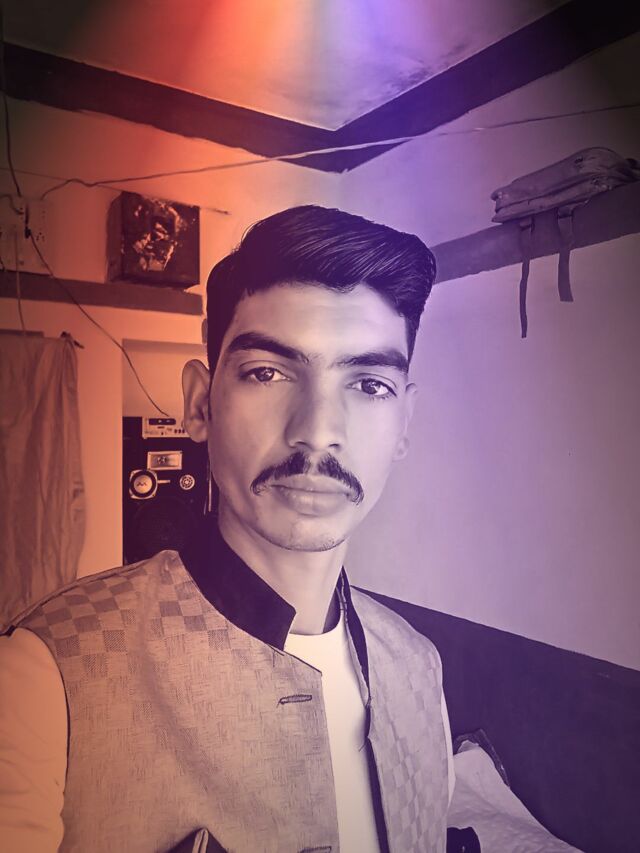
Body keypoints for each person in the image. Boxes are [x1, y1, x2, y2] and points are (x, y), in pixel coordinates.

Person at [0, 206, 455, 852]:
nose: (318, 430)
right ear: (198, 403)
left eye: (369, 384)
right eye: (267, 372)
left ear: (405, 421)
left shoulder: (419, 669)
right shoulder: (46, 678)